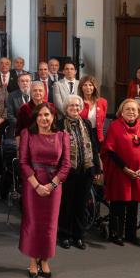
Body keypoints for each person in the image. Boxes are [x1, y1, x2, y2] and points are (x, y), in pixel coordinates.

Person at [18, 103, 70, 278]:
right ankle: (33, 260)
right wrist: (37, 185)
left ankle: (45, 259)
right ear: (35, 117)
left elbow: (66, 165)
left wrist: (52, 185)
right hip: (33, 184)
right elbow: (23, 162)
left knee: (49, 225)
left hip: (54, 185)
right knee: (33, 223)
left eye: (47, 115)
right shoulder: (27, 134)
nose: (43, 118)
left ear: (53, 117)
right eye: (40, 115)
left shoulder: (63, 136)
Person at [102, 99, 140, 247]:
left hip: (139, 173)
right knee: (119, 203)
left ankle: (131, 234)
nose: (131, 112)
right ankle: (117, 233)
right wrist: (125, 168)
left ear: (139, 112)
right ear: (122, 112)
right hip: (120, 171)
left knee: (134, 204)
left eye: (134, 109)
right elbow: (110, 150)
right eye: (128, 109)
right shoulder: (115, 126)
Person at [57, 95, 102, 250]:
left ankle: (79, 236)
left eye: (77, 106)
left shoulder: (87, 124)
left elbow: (94, 146)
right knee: (66, 205)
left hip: (86, 170)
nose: (75, 108)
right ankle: (64, 235)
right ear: (66, 108)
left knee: (81, 205)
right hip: (68, 171)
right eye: (71, 106)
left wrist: (97, 168)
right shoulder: (59, 124)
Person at [80, 76, 108, 143]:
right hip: (82, 135)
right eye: (85, 85)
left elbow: (103, 120)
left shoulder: (103, 102)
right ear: (81, 87)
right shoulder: (78, 101)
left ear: (94, 87)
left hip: (97, 135)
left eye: (90, 85)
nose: (88, 87)